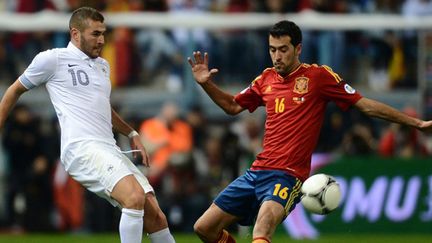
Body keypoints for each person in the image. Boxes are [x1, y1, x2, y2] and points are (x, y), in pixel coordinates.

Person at [187, 20, 432, 243]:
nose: (277, 56)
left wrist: (415, 123)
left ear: (298, 49)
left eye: (283, 49)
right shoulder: (265, 79)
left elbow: (365, 105)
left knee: (262, 228)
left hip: (288, 175)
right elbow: (232, 106)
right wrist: (206, 84)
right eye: (272, 49)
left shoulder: (318, 77)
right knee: (204, 228)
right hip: (257, 171)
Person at [0, 7, 175, 243]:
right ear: (75, 34)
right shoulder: (53, 59)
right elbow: (14, 90)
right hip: (82, 147)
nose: (101, 40)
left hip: (108, 147)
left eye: (103, 33)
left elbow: (102, 106)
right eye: (95, 34)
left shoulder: (103, 66)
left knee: (155, 215)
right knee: (133, 197)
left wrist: (131, 132)